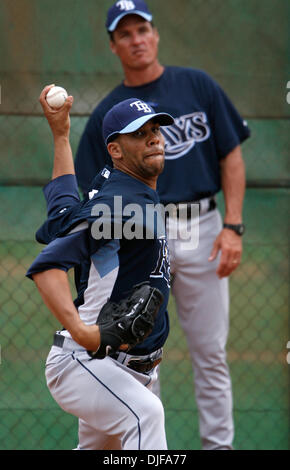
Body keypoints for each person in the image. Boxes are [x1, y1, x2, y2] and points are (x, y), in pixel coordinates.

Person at [74, 0, 251, 450]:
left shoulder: (196, 85)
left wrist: (233, 226)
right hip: (139, 233)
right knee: (137, 352)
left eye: (143, 29)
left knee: (210, 353)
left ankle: (219, 446)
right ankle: (145, 449)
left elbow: (231, 154)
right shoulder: (109, 115)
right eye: (126, 33)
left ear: (155, 34)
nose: (137, 39)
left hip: (203, 226)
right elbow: (88, 193)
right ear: (113, 45)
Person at [26, 85, 174, 450]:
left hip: (127, 368)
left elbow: (62, 209)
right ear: (115, 150)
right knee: (145, 417)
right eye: (139, 134)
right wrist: (81, 331)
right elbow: (47, 268)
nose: (153, 138)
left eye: (155, 130)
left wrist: (61, 136)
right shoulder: (121, 203)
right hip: (88, 362)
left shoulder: (115, 185)